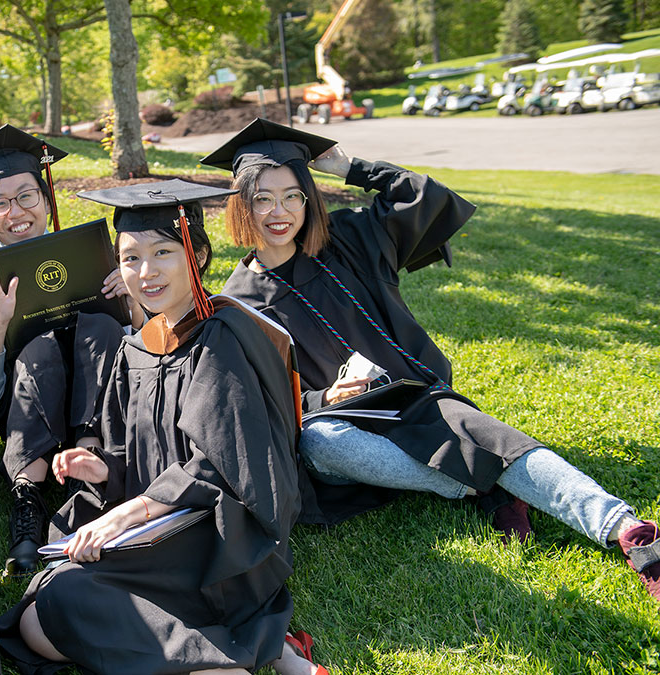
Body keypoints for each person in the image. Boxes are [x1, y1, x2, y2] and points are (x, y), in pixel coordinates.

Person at [209, 118, 660, 601]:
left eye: (292, 195)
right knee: (320, 441)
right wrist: (323, 397)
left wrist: (351, 167)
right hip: (344, 422)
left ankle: (632, 534)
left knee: (495, 442)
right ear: (242, 206)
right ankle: (484, 486)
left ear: (308, 200)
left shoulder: (350, 241)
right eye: (262, 198)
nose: (279, 212)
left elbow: (424, 196)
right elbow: (268, 399)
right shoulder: (238, 302)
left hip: (413, 399)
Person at [0, 180, 329, 675]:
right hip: (156, 533)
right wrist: (105, 472)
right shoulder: (137, 349)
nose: (145, 272)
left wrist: (130, 513)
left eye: (163, 252)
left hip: (217, 542)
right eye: (130, 259)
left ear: (196, 252)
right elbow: (134, 455)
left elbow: (227, 466)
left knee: (58, 598)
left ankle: (230, 656)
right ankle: (236, 655)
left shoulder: (224, 336)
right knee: (37, 619)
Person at [0, 125, 132, 574]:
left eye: (26, 196)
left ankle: (93, 469)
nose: (15, 212)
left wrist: (136, 300)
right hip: (27, 418)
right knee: (39, 350)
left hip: (103, 416)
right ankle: (28, 504)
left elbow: (149, 359)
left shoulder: (108, 266)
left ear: (46, 201)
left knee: (101, 325)